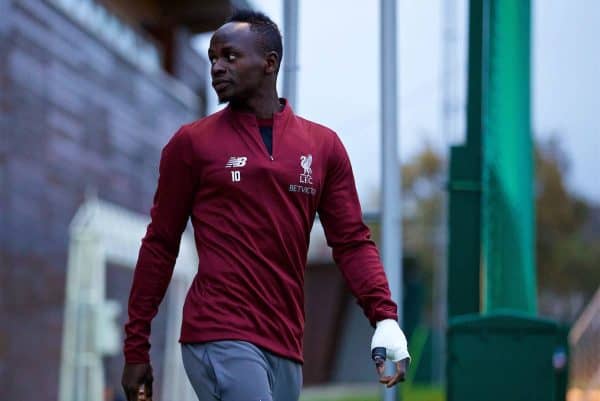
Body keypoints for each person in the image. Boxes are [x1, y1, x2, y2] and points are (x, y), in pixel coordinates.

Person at [121, 9, 410, 401]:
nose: (217, 67)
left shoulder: (323, 148)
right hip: (218, 333)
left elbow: (352, 242)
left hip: (285, 344)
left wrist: (385, 319)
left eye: (230, 57)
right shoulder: (191, 145)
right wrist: (136, 348)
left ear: (269, 63)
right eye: (212, 58)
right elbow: (160, 244)